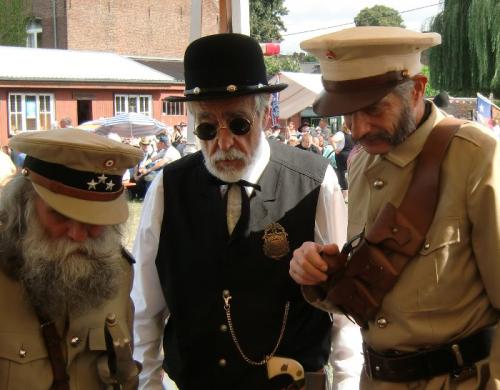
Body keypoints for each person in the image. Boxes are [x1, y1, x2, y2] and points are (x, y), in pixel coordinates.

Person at [132, 33, 362, 390]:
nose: (223, 143)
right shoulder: (167, 187)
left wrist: (347, 385)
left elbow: (343, 311)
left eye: (238, 124)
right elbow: (145, 307)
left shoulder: (314, 181)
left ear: (265, 115)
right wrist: (147, 385)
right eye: (207, 128)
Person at [290, 26, 500, 389]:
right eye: (346, 114)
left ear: (417, 89)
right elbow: (379, 296)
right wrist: (322, 271)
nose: (357, 128)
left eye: (373, 109)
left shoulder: (477, 156)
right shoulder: (360, 163)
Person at [0, 128, 143, 388]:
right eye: (59, 214)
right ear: (24, 205)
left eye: (94, 221)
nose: (78, 234)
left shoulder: (117, 272)